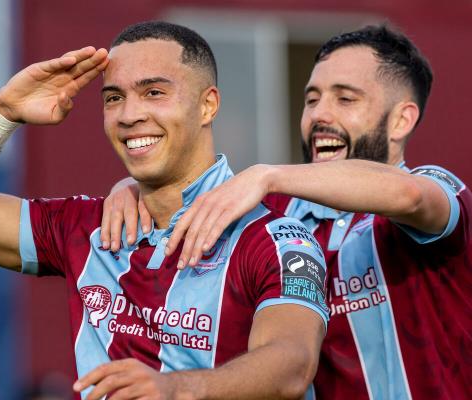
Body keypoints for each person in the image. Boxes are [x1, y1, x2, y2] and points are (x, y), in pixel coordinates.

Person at [0, 21, 329, 399]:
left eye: (154, 93)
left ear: (207, 105)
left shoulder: (276, 239)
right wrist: (2, 113)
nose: (130, 115)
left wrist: (174, 388)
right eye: (113, 98)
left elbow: (291, 365)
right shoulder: (86, 227)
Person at [101, 25, 472, 399]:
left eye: (346, 99)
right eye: (312, 99)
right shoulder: (272, 221)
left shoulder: (436, 192)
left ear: (401, 120)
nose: (319, 115)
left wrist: (268, 174)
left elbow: (409, 195)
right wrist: (133, 189)